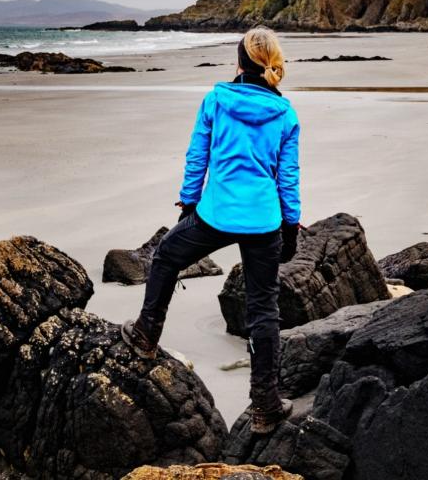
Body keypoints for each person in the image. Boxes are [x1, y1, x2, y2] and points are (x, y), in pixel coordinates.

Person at [122, 25, 301, 434]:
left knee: (166, 256)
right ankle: (266, 406)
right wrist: (290, 227)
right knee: (263, 311)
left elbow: (197, 155)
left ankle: (146, 336)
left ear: (238, 63)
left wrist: (188, 204)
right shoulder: (286, 114)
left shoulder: (217, 100)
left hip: (216, 214)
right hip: (264, 220)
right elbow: (288, 177)